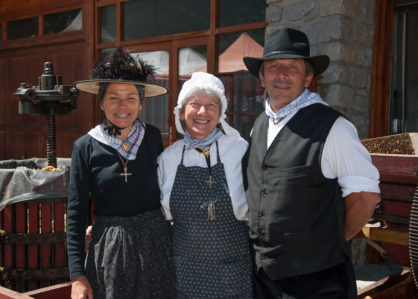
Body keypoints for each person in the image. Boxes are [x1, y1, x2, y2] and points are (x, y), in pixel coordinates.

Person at [242, 27, 381, 298]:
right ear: (261, 76)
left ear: (308, 78)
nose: (281, 75)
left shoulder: (334, 128)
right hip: (265, 279)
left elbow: (366, 195)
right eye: (273, 67)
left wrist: (333, 241)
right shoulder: (259, 125)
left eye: (292, 67)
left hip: (318, 282)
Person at [67, 48, 175, 299]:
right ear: (102, 102)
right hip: (110, 249)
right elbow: (75, 214)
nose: (123, 106)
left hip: (155, 245)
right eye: (114, 97)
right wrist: (77, 276)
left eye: (131, 97)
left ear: (141, 102)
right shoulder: (85, 146)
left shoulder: (152, 137)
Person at [158, 72, 253, 298]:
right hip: (183, 273)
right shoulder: (168, 158)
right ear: (181, 112)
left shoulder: (240, 151)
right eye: (195, 104)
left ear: (221, 113)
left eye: (211, 105)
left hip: (232, 274)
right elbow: (155, 212)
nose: (203, 112)